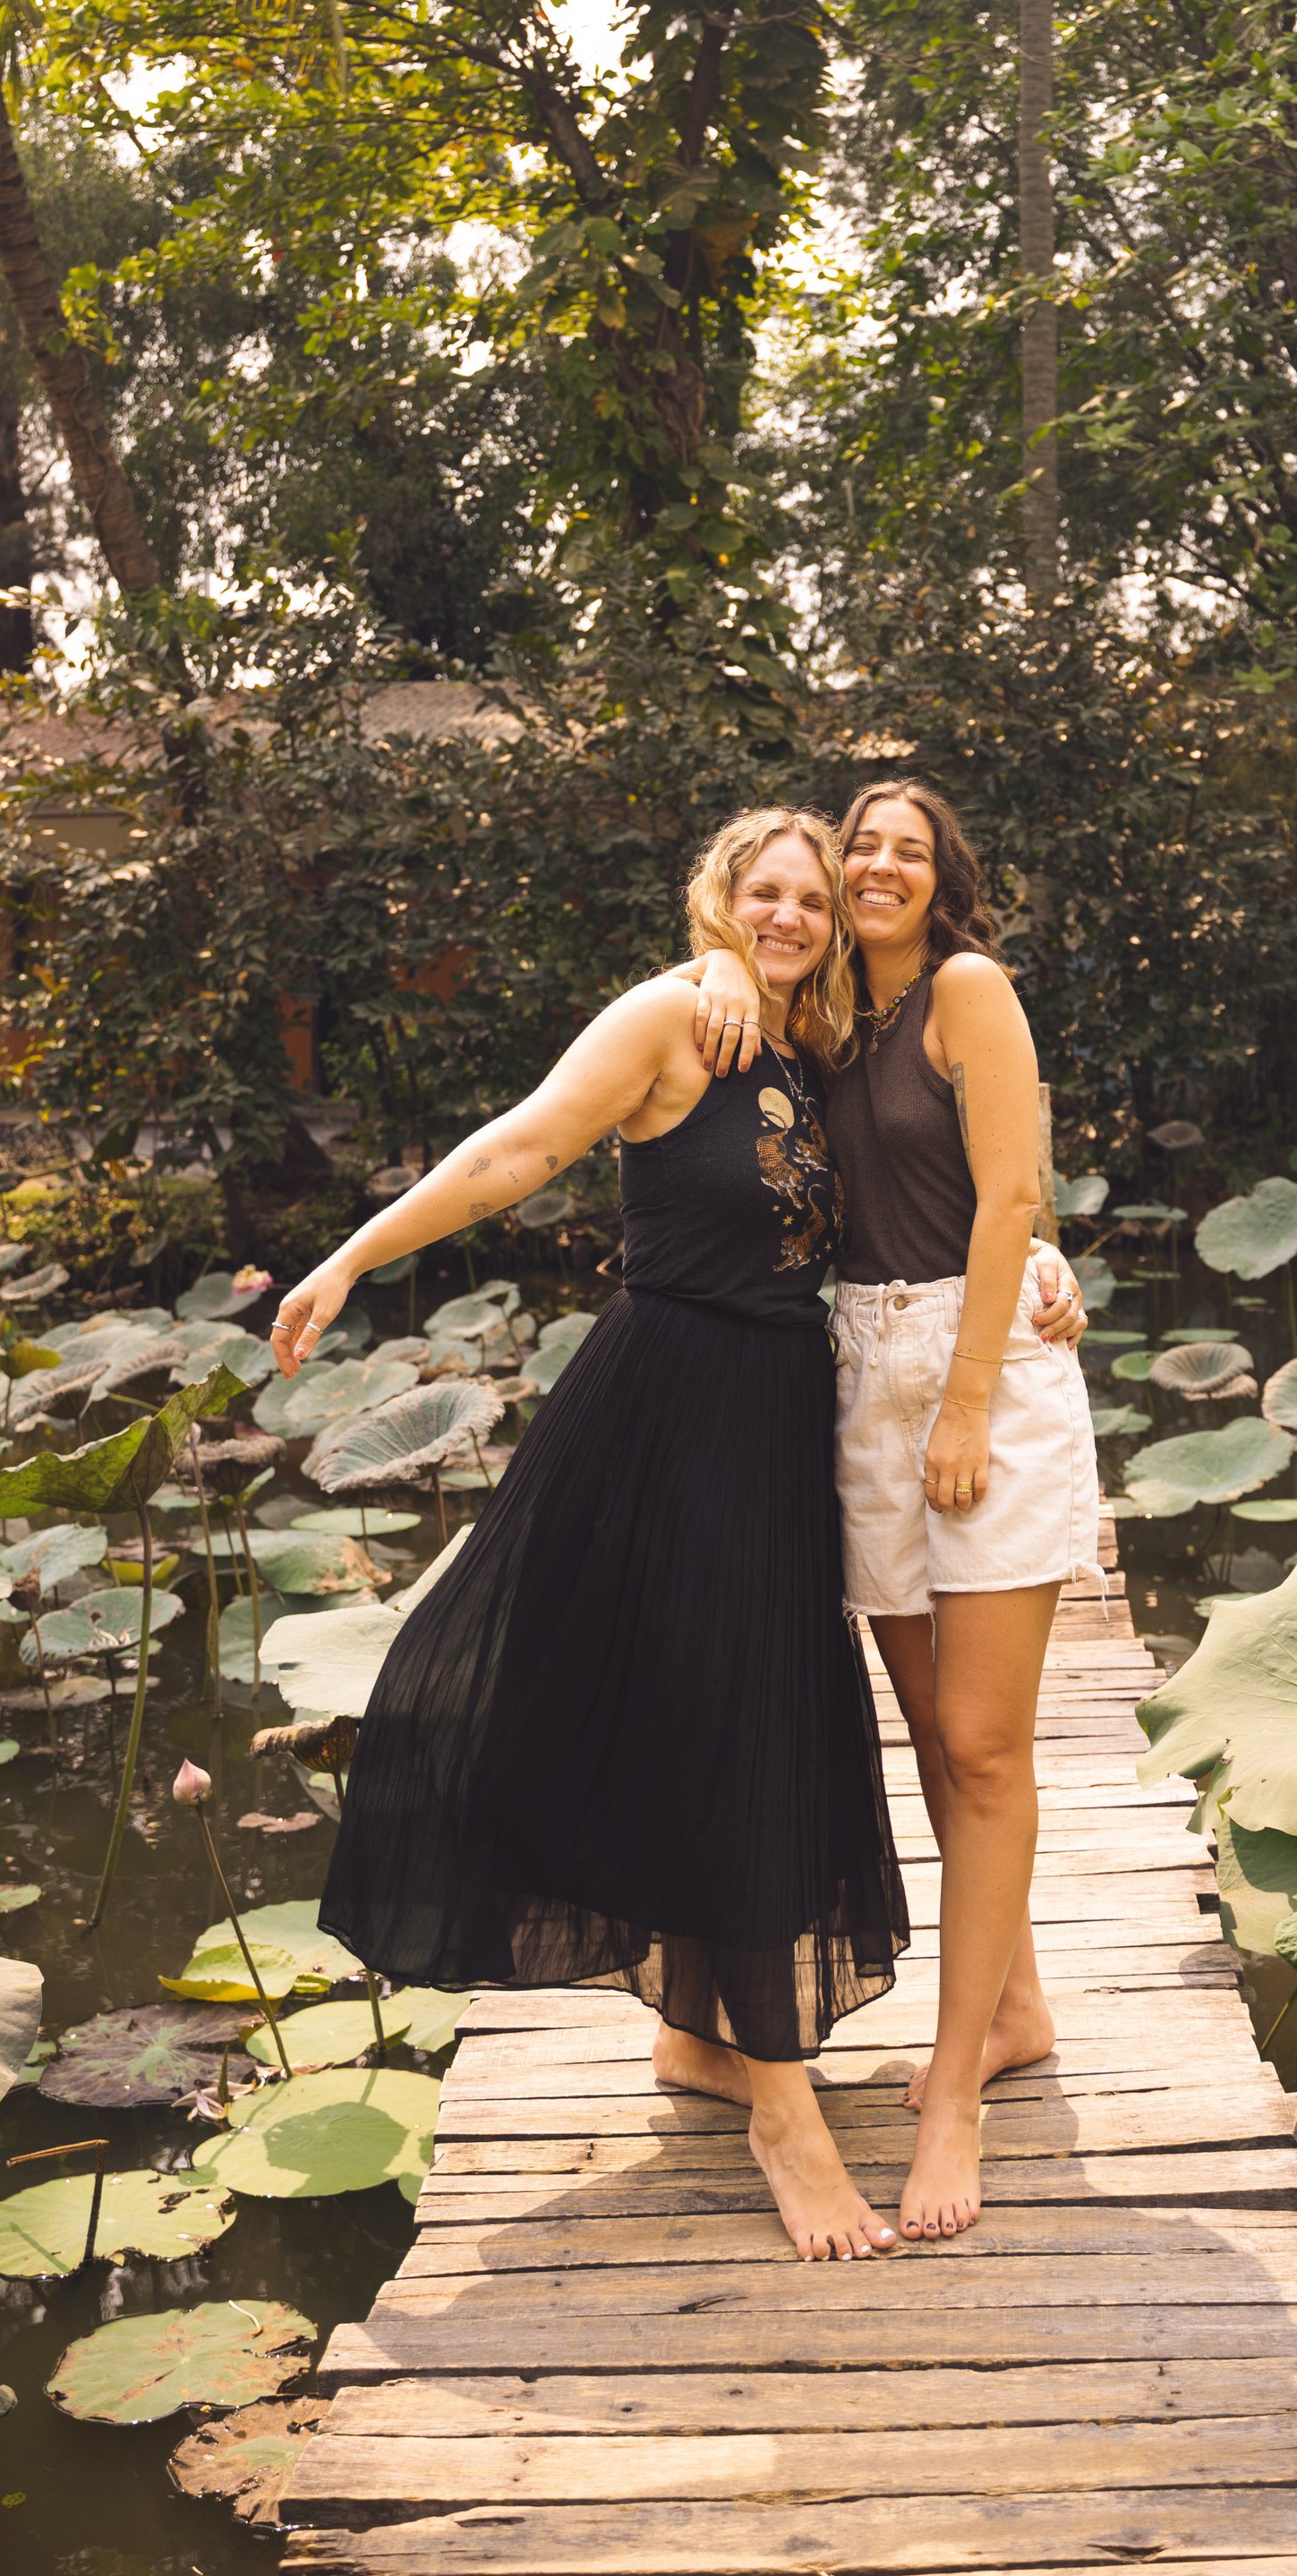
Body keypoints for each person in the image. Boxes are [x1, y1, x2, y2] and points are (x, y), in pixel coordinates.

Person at [269, 808, 909, 2261]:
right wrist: (353, 1254)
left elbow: (918, 1191)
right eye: (770, 892)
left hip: (773, 1412)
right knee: (727, 1721)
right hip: (671, 1406)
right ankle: (785, 2115)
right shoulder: (674, 1017)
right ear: (720, 900)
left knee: (731, 1712)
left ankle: (702, 2031)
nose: (798, 911)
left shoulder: (809, 1041)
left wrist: (1039, 1262)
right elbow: (520, 1150)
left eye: (814, 895)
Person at [682, 780, 1100, 2240]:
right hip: (857, 1365)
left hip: (974, 1371)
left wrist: (975, 1395)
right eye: (858, 842)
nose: (871, 865)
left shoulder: (967, 992)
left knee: (984, 1746)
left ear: (941, 879)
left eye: (902, 850)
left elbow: (1012, 1198)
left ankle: (956, 2091)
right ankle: (1019, 2003)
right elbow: (736, 963)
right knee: (933, 1732)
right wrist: (733, 960)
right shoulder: (820, 1014)